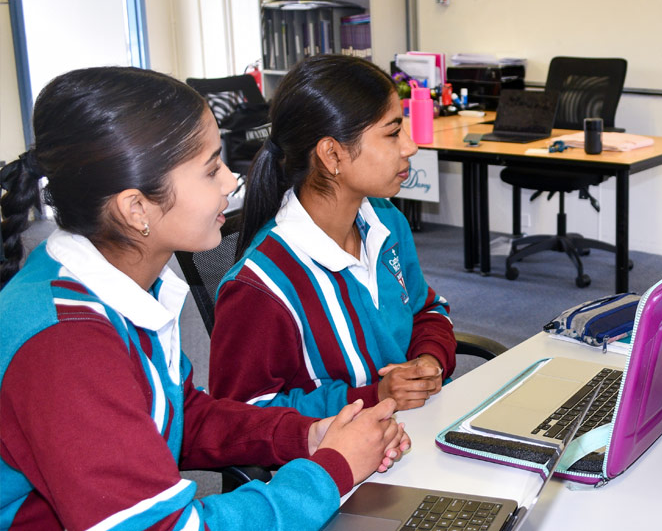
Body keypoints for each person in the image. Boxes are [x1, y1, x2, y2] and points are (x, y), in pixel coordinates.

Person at [0, 67, 407, 529]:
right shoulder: (66, 346)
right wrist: (331, 471)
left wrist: (306, 435)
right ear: (137, 209)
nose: (231, 181)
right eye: (211, 168)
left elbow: (178, 417)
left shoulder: (112, 285)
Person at [209, 54, 456, 419]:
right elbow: (240, 417)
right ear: (332, 154)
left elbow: (426, 309)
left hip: (416, 430)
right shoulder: (262, 285)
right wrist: (373, 396)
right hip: (336, 466)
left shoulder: (387, 224)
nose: (410, 147)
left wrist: (427, 358)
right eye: (392, 133)